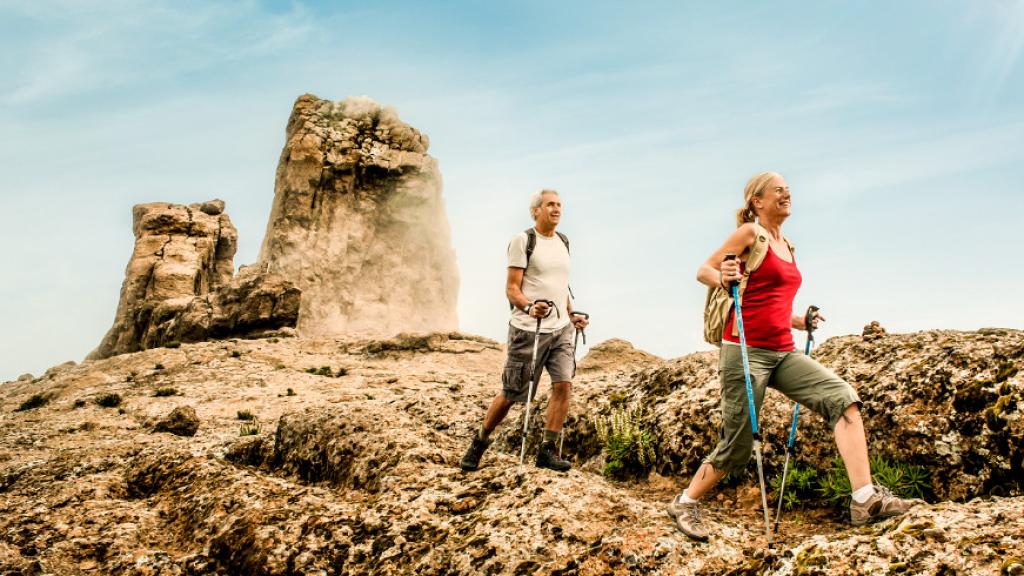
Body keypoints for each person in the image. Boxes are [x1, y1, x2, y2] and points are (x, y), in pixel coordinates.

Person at [667, 171, 923, 540]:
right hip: (744, 351)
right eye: (779, 190)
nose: (787, 193)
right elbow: (703, 270)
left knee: (843, 398)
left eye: (788, 189)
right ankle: (686, 501)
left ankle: (865, 499)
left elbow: (771, 303)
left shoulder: (787, 244)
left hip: (782, 351)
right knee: (738, 446)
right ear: (758, 201)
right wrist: (723, 278)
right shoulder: (749, 234)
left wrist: (799, 320)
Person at [460, 188, 589, 473]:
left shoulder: (563, 241)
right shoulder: (523, 240)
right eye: (549, 205)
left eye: (559, 205)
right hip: (528, 331)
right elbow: (512, 289)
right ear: (535, 211)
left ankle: (547, 451)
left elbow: (559, 285)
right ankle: (479, 442)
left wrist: (570, 314)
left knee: (563, 385)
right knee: (512, 393)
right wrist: (529, 307)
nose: (556, 209)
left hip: (560, 329)